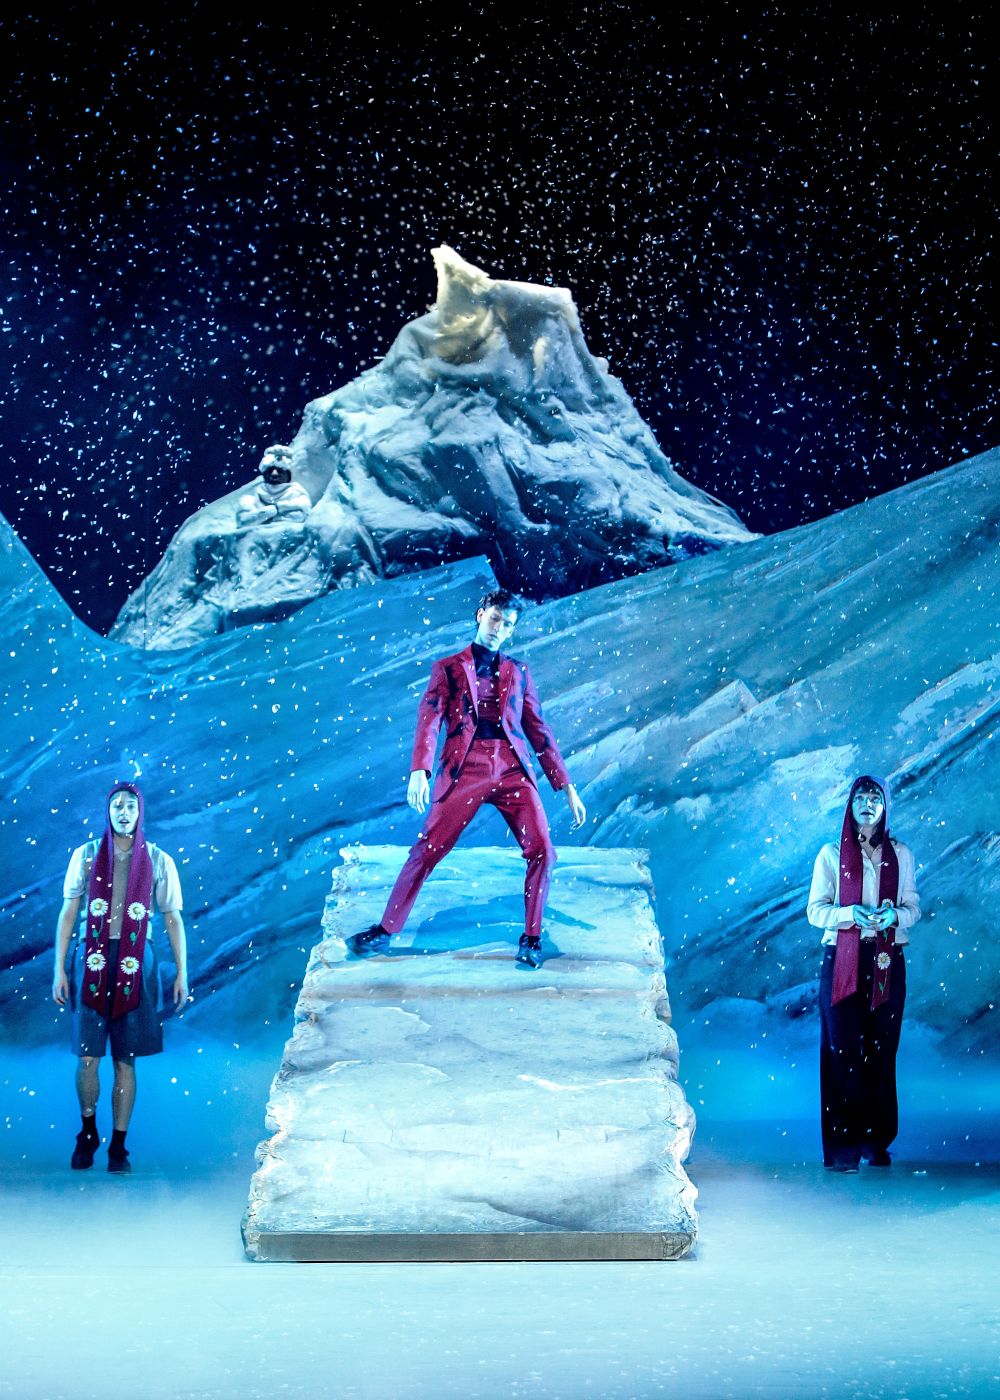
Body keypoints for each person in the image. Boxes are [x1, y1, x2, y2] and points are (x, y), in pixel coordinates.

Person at [348, 588, 586, 968]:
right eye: (495, 618)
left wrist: (567, 785)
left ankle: (531, 938)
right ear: (480, 615)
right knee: (428, 849)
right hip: (464, 768)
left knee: (543, 849)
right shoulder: (448, 668)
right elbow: (429, 720)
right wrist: (419, 771)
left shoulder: (519, 671)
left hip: (512, 769)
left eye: (507, 625)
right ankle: (386, 930)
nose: (499, 628)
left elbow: (538, 730)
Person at [52, 783, 188, 1173]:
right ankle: (88, 1130)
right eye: (116, 805)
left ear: (140, 811)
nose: (123, 811)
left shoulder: (158, 860)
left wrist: (182, 972)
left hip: (135, 961)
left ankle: (119, 1146)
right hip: (90, 957)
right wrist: (60, 966)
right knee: (88, 1057)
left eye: (130, 805)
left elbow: (173, 918)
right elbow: (67, 912)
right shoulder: (87, 855)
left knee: (126, 1059)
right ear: (107, 812)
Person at [807, 775, 921, 1171]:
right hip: (842, 959)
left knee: (882, 1050)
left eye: (876, 797)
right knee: (842, 1051)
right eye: (861, 797)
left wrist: (895, 915)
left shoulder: (900, 854)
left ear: (886, 806)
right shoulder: (831, 854)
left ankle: (876, 1142)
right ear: (850, 805)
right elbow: (815, 911)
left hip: (887, 959)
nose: (868, 803)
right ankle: (842, 1149)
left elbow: (913, 907)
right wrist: (849, 915)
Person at [235, 443, 312, 526]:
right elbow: (243, 521)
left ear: (288, 474)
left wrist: (263, 517)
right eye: (270, 470)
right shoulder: (252, 497)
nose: (274, 474)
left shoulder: (298, 495)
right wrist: (273, 510)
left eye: (280, 470)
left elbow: (299, 517)